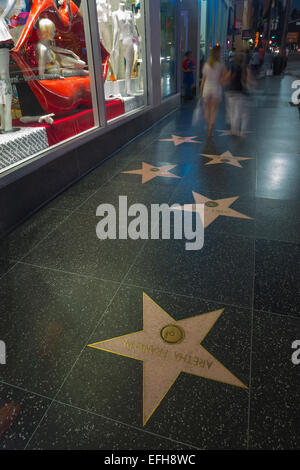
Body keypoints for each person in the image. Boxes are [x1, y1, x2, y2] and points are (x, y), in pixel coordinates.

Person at [200, 45, 226, 136]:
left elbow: (203, 80)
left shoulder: (206, 65)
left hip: (207, 89)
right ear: (218, 54)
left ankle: (208, 126)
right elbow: (223, 80)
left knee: (207, 109)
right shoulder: (221, 65)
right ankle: (211, 128)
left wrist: (200, 91)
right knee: (214, 110)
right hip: (216, 89)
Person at [224, 52, 252, 137]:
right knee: (238, 112)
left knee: (232, 111)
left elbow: (227, 78)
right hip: (239, 92)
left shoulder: (232, 68)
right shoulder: (243, 69)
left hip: (230, 91)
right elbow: (245, 80)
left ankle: (233, 128)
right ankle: (235, 129)